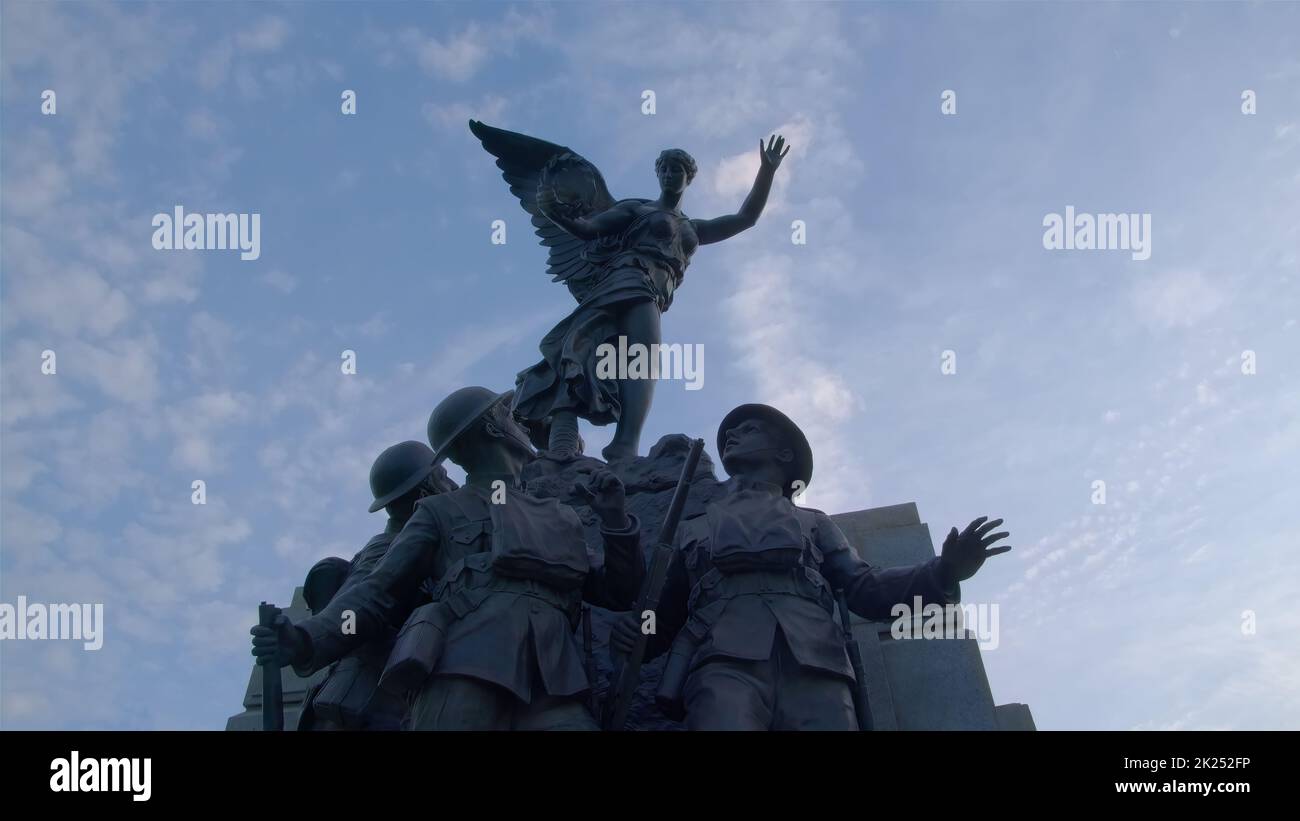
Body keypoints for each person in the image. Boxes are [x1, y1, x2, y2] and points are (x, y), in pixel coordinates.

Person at [252, 388, 645, 730]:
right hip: (464, 675)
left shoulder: (558, 514)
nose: (520, 422)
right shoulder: (440, 511)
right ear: (493, 427)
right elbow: (375, 593)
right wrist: (306, 639)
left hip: (553, 682)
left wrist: (615, 521)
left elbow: (617, 592)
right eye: (508, 414)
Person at [611, 403, 1012, 730]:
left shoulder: (815, 524)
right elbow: (663, 618)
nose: (732, 435)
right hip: (723, 663)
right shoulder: (691, 530)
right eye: (732, 432)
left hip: (817, 663)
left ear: (784, 455)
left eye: (749, 429)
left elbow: (865, 589)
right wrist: (638, 632)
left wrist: (943, 572)